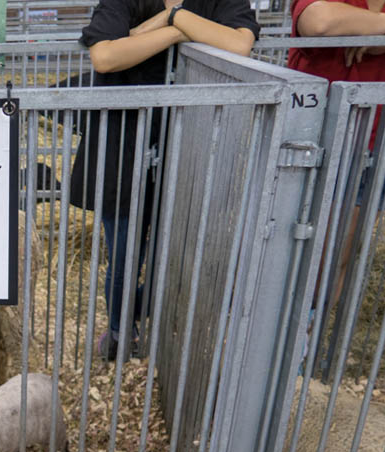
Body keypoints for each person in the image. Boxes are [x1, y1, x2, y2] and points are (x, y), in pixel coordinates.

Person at [75, 0, 259, 361]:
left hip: (190, 150)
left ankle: (146, 315)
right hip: (124, 149)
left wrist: (172, 19)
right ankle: (120, 331)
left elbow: (239, 44)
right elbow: (105, 57)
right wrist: (182, 30)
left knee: (175, 252)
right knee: (126, 256)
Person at [288, 0, 385, 313]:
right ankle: (284, 340)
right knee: (302, 252)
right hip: (317, 138)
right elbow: (318, 22)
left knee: (337, 255)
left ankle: (307, 341)